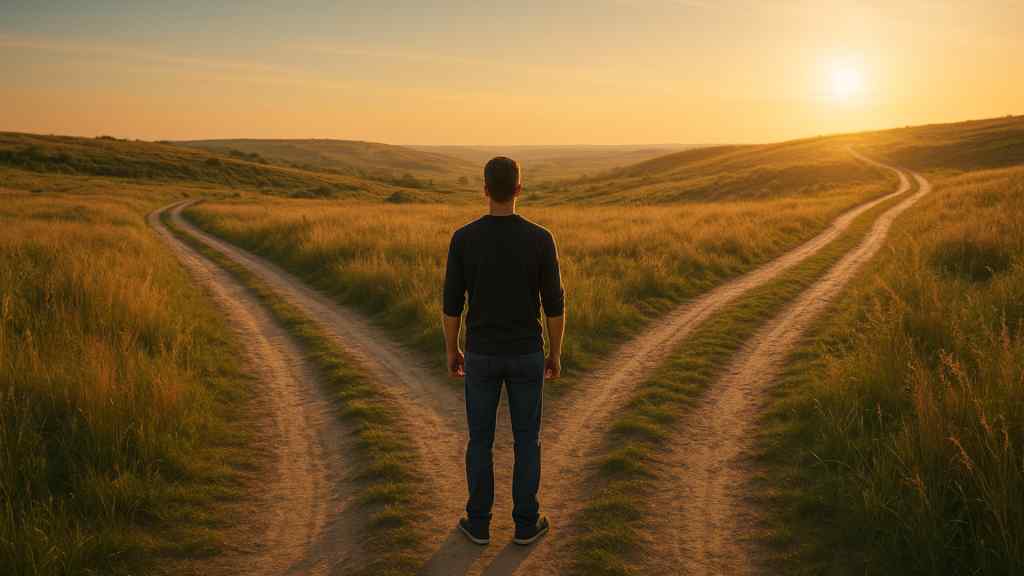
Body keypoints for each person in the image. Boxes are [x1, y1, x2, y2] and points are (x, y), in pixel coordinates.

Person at [442, 156, 566, 546]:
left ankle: (478, 522)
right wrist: (555, 353)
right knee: (526, 439)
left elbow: (451, 305)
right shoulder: (540, 239)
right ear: (517, 189)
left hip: (480, 353)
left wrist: (453, 348)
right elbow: (554, 306)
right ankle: (526, 524)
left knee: (480, 439)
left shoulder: (464, 238)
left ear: (484, 189)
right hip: (527, 352)